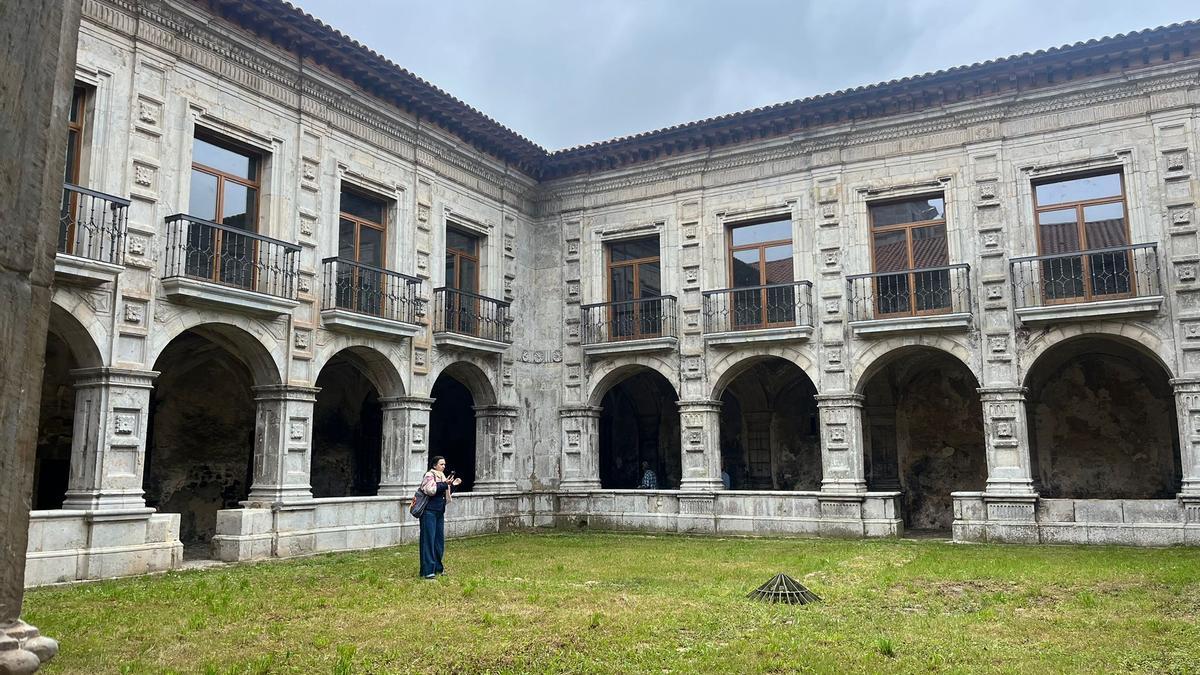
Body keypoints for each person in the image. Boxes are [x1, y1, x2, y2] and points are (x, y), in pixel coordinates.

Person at [419, 455, 461, 579]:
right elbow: (430, 490)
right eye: (441, 464)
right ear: (434, 465)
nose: (444, 466)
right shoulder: (429, 475)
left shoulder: (442, 477)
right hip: (429, 512)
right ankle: (427, 571)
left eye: (444, 464)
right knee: (428, 541)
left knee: (438, 541)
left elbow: (444, 494)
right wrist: (444, 484)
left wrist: (453, 485)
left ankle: (438, 567)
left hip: (439, 511)